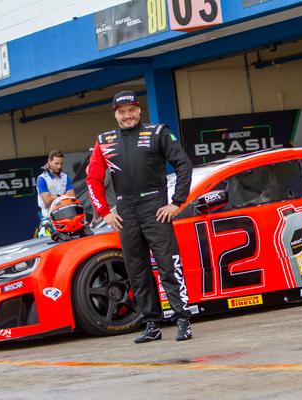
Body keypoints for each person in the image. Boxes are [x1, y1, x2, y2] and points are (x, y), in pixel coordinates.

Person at [86, 90, 193, 343]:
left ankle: (183, 319)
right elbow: (92, 179)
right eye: (122, 112)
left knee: (168, 264)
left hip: (155, 207)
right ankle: (152, 324)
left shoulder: (158, 132)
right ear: (115, 114)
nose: (127, 116)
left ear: (139, 110)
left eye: (131, 110)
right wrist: (104, 212)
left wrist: (176, 202)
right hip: (125, 212)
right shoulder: (104, 140)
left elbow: (183, 165)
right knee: (137, 271)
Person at [36, 150, 75, 237]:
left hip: (66, 218)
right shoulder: (42, 179)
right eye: (56, 163)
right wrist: (63, 196)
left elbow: (72, 197)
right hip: (48, 220)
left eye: (61, 163)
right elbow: (47, 200)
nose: (59, 166)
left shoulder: (65, 177)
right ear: (49, 161)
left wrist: (54, 197)